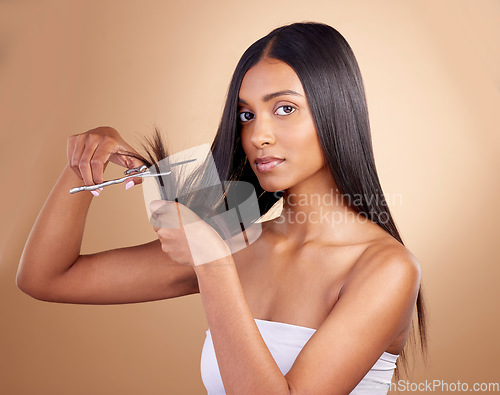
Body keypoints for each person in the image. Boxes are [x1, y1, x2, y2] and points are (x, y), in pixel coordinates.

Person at [17, 22, 426, 394]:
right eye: (246, 114)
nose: (258, 135)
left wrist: (213, 264)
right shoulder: (237, 239)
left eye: (284, 108)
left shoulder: (386, 270)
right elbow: (48, 277)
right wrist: (83, 166)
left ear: (336, 111)